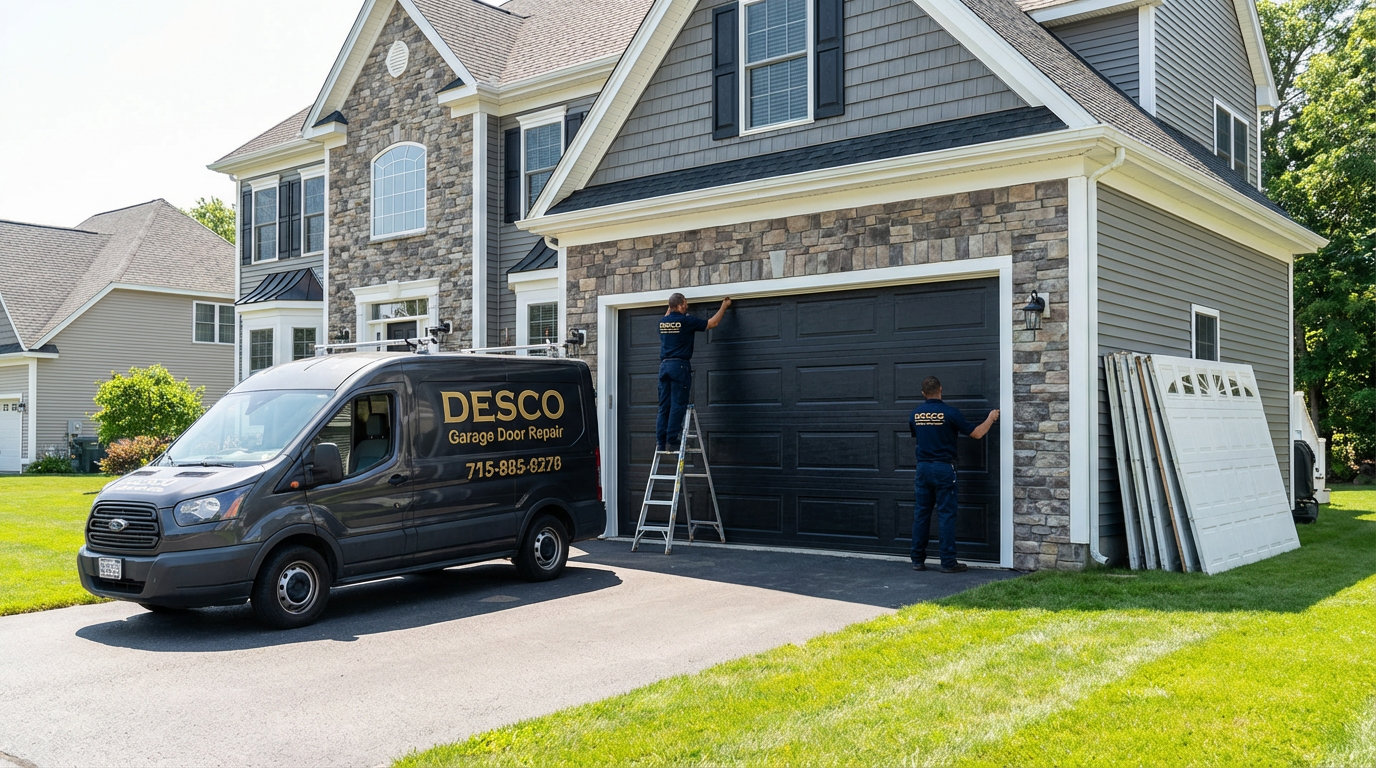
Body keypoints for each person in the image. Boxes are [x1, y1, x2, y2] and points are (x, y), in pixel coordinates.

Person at [909, 375, 998, 573]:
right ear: (941, 389)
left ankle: (917, 560)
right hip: (943, 469)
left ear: (923, 393)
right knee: (946, 515)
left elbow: (919, 436)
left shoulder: (915, 414)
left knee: (921, 514)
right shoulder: (950, 413)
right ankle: (948, 562)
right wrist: (990, 418)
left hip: (923, 469)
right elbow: (976, 433)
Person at [656, 293, 731, 451]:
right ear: (681, 304)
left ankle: (660, 442)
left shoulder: (662, 323)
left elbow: (669, 314)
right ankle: (672, 441)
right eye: (686, 303)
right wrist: (724, 306)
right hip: (679, 366)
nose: (687, 306)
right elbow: (712, 323)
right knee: (678, 404)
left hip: (664, 366)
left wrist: (671, 307)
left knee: (664, 406)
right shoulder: (686, 321)